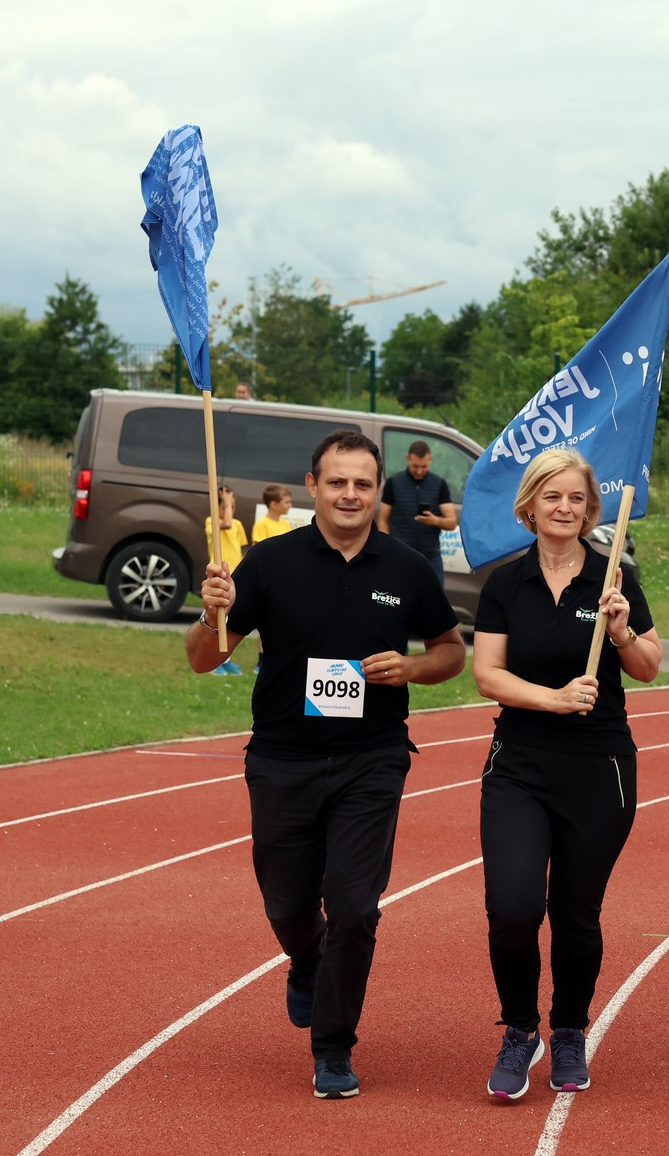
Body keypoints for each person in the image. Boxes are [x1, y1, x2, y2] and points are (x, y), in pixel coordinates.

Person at [185, 428, 466, 1100]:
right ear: (313, 488)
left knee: (355, 904)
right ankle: (304, 956)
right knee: (287, 903)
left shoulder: (406, 569)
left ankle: (334, 1047)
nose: (350, 494)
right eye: (337, 482)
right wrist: (208, 613)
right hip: (282, 759)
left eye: (363, 484)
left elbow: (451, 651)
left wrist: (412, 668)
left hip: (372, 760)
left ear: (378, 492)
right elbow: (202, 657)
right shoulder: (268, 562)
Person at [472, 449, 662, 1099]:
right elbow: (487, 674)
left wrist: (621, 632)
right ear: (530, 504)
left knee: (576, 913)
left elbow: (649, 667)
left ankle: (572, 1030)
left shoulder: (616, 578)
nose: (563, 508)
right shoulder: (504, 583)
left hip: (598, 768)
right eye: (552, 496)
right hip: (520, 767)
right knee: (513, 908)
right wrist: (551, 698)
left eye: (576, 499)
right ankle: (520, 1030)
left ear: (590, 509)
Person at [376, 440, 457, 582]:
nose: (419, 471)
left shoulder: (439, 484)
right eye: (415, 466)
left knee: (434, 601)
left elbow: (452, 523)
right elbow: (383, 520)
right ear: (407, 458)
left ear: (430, 460)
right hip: (399, 554)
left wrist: (435, 520)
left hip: (431, 556)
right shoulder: (393, 483)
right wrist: (387, 549)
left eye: (424, 466)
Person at [202, 486, 249, 674]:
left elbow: (241, 548)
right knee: (219, 618)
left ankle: (226, 659)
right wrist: (226, 500)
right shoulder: (211, 522)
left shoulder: (238, 524)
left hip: (234, 574)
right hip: (218, 575)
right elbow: (226, 523)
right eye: (227, 506)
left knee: (231, 620)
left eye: (233, 506)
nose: (230, 509)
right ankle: (216, 662)